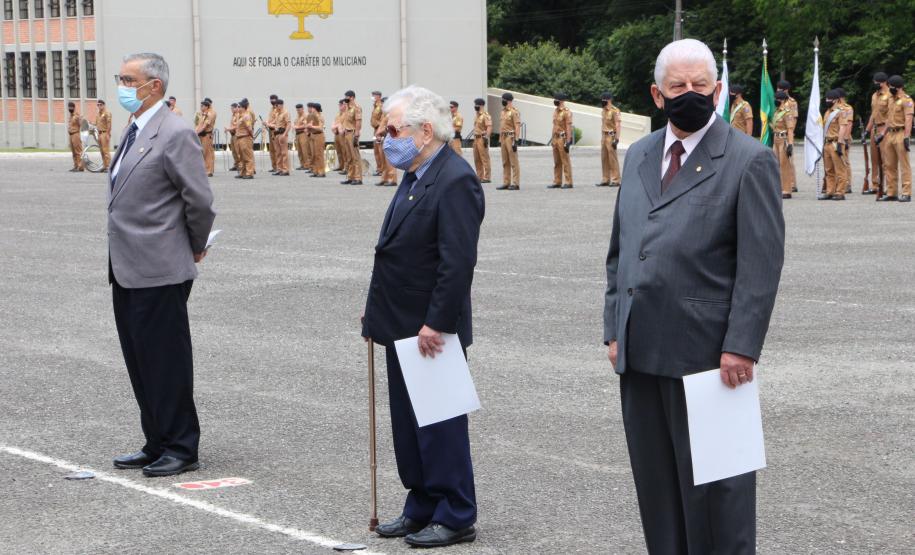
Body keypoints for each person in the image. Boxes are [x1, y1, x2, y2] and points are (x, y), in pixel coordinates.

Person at [603, 39, 784, 554]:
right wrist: (615, 328)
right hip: (640, 353)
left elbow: (760, 265)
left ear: (718, 90)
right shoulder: (638, 154)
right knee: (658, 491)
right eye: (678, 86)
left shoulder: (749, 160)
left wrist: (742, 346)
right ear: (657, 95)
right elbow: (622, 250)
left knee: (718, 498)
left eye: (700, 86)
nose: (690, 94)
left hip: (709, 357)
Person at [362, 85, 483, 549]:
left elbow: (457, 263)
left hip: (431, 328)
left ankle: (455, 512)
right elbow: (398, 252)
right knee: (410, 427)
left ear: (424, 131)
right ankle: (422, 505)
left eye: (391, 129)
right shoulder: (415, 174)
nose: (383, 137)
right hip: (400, 321)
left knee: (440, 426)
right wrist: (376, 307)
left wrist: (438, 322)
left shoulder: (454, 179)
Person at [109, 52, 216, 478]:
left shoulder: (175, 132)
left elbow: (200, 201)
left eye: (128, 79)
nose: (121, 85)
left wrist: (194, 246)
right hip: (126, 265)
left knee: (166, 359)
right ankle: (155, 440)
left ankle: (180, 445)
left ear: (154, 86)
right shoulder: (135, 128)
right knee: (140, 358)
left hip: (160, 266)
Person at [880, 75, 913, 202]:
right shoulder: (891, 99)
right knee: (889, 165)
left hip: (900, 132)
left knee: (904, 165)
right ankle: (891, 192)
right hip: (890, 134)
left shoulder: (906, 100)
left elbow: (909, 119)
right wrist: (882, 134)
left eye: (893, 87)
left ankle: (906, 192)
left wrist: (906, 137)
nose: (891, 89)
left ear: (899, 87)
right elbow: (888, 119)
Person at [864, 72, 890, 195]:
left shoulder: (890, 95)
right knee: (874, 159)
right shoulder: (874, 95)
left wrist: (884, 132)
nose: (875, 84)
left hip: (885, 129)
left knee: (886, 160)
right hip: (874, 129)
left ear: (883, 82)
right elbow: (873, 115)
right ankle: (875, 185)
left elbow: (891, 116)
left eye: (877, 82)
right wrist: (867, 130)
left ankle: (888, 187)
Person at [821, 89, 849, 200]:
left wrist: (840, 143)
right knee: (829, 170)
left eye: (829, 99)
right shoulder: (827, 112)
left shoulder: (840, 112)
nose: (827, 101)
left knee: (840, 169)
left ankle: (840, 192)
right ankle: (830, 191)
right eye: (826, 99)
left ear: (836, 100)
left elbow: (843, 127)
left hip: (835, 142)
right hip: (827, 143)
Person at [775, 80, 798, 192]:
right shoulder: (778, 102)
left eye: (781, 89)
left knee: (788, 161)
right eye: (778, 88)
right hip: (779, 133)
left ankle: (791, 184)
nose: (778, 90)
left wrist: (790, 135)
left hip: (787, 132)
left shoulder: (792, 102)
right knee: (779, 161)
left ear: (786, 90)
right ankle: (783, 183)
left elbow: (794, 118)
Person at [548, 93, 574, 189]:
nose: (555, 101)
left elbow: (568, 127)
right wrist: (552, 138)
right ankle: (557, 181)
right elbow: (554, 126)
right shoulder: (555, 111)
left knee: (565, 161)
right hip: (556, 138)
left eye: (557, 99)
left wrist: (568, 141)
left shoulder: (567, 112)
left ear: (562, 101)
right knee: (557, 161)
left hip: (563, 138)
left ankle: (568, 182)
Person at [596, 92, 622, 187]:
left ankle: (616, 179)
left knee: (612, 158)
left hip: (611, 136)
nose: (603, 101)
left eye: (605, 99)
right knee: (604, 158)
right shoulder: (603, 110)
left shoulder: (615, 111)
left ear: (609, 100)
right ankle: (605, 179)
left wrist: (617, 139)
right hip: (604, 135)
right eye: (602, 99)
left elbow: (617, 125)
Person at [497, 92, 521, 190]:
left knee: (513, 161)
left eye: (503, 99)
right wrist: (499, 139)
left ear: (508, 100)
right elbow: (502, 127)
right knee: (505, 161)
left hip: (510, 138)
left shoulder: (514, 112)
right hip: (503, 137)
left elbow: (517, 126)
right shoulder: (503, 112)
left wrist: (516, 140)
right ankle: (506, 182)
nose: (502, 101)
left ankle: (515, 183)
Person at [341, 90, 364, 185]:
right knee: (349, 156)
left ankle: (358, 177)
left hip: (352, 133)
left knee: (355, 156)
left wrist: (357, 133)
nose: (345, 99)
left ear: (352, 97)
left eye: (347, 97)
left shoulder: (356, 108)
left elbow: (358, 121)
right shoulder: (347, 108)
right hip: (346, 133)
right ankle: (350, 176)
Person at [374, 99, 397, 186]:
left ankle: (392, 179)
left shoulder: (392, 114)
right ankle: (384, 178)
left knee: (389, 160)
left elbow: (391, 126)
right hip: (382, 138)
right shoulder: (384, 114)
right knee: (382, 159)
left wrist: (381, 132)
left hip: (389, 137)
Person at [837, 88, 854, 193]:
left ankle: (847, 184)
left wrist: (846, 139)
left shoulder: (848, 108)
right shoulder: (835, 108)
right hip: (835, 136)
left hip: (844, 137)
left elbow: (849, 124)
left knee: (845, 161)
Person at [471, 98, 492, 183]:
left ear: (481, 105)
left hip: (482, 138)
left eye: (476, 105)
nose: (475, 106)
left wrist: (486, 137)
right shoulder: (477, 115)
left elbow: (489, 127)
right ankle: (479, 176)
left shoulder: (485, 115)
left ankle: (487, 177)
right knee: (477, 158)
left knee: (484, 158)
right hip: (476, 138)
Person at [194, 98, 216, 177]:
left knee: (207, 153)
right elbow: (199, 124)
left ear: (207, 106)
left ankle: (209, 171)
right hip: (201, 135)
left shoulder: (210, 114)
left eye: (202, 106)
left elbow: (205, 126)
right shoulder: (203, 114)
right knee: (203, 153)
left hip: (206, 135)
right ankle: (205, 169)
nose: (201, 107)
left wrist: (197, 132)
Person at [235, 98, 255, 179]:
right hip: (239, 138)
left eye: (239, 107)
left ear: (243, 108)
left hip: (245, 138)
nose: (238, 108)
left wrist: (251, 136)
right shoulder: (241, 116)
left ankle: (249, 173)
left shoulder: (246, 116)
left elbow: (249, 128)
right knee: (242, 157)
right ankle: (243, 172)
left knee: (247, 156)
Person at [308, 103, 327, 177]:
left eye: (312, 108)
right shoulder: (313, 116)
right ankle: (316, 171)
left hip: (319, 135)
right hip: (313, 135)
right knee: (314, 155)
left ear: (315, 109)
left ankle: (321, 172)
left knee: (319, 155)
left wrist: (311, 126)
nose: (311, 109)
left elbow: (320, 128)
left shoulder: (320, 117)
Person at [94, 99, 113, 172]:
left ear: (104, 105)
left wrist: (108, 134)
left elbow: (109, 124)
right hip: (99, 133)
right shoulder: (98, 114)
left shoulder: (107, 113)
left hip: (105, 133)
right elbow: (96, 124)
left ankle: (109, 166)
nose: (99, 106)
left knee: (106, 151)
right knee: (102, 151)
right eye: (98, 105)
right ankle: (105, 166)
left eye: (100, 105)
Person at [332, 99, 350, 174]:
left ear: (344, 105)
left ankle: (346, 167)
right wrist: (334, 127)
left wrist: (336, 126)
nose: (339, 107)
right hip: (337, 134)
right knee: (339, 151)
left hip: (342, 134)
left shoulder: (346, 114)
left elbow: (343, 124)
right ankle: (341, 165)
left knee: (344, 151)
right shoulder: (339, 114)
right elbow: (335, 123)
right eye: (339, 105)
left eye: (341, 105)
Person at [67, 102, 84, 172]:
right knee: (73, 152)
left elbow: (81, 125)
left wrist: (81, 119)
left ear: (74, 107)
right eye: (69, 107)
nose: (69, 108)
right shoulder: (70, 116)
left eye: (71, 107)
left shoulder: (77, 116)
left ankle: (81, 166)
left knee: (78, 151)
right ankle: (76, 165)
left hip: (76, 134)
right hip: (70, 135)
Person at [370, 91, 385, 175]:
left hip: (380, 129)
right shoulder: (375, 106)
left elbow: (383, 118)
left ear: (378, 96)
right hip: (375, 129)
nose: (372, 97)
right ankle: (379, 169)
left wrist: (380, 127)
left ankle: (382, 169)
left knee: (380, 151)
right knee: (376, 150)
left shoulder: (381, 106)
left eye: (374, 96)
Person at [294, 103, 310, 171]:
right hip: (297, 134)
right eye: (297, 110)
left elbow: (306, 125)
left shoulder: (306, 116)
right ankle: (302, 164)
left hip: (303, 134)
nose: (298, 111)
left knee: (304, 150)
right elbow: (295, 124)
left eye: (299, 109)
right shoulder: (297, 116)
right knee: (299, 150)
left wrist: (298, 127)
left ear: (303, 109)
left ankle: (307, 165)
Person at [226, 102, 241, 172]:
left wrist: (229, 129)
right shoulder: (233, 115)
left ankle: (240, 165)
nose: (231, 110)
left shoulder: (238, 115)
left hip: (236, 134)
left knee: (238, 151)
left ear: (236, 108)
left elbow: (237, 126)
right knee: (234, 151)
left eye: (232, 108)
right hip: (232, 135)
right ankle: (236, 164)